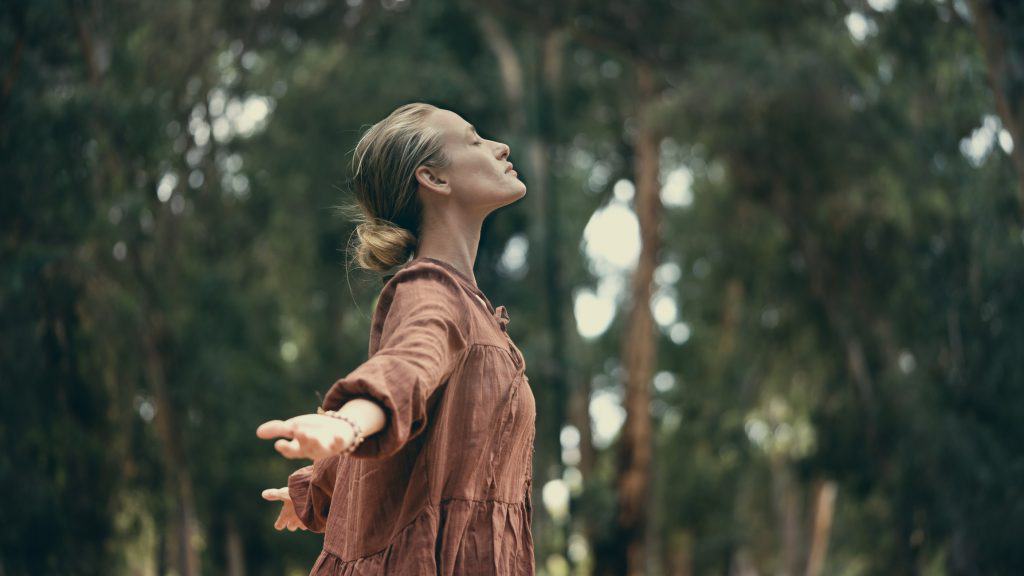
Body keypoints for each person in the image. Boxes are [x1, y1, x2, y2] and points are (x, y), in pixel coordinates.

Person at [256, 102, 536, 575]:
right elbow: (407, 368)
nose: (499, 146)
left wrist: (318, 487)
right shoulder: (432, 290)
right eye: (473, 140)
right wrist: (347, 422)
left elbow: (416, 425)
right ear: (435, 179)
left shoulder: (471, 308)